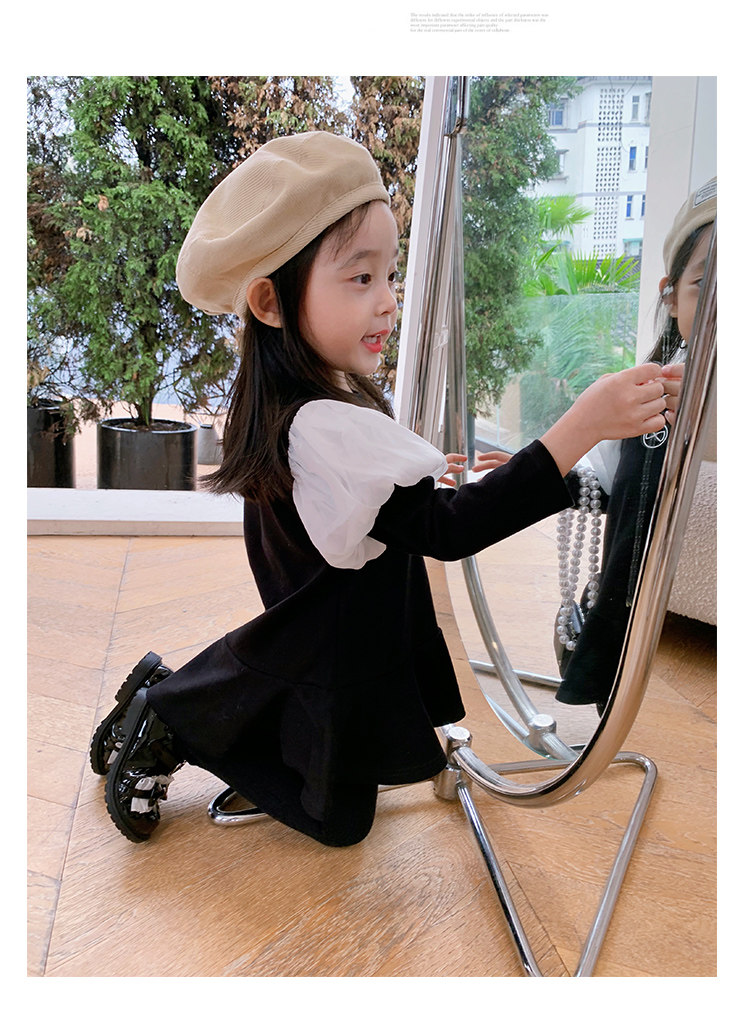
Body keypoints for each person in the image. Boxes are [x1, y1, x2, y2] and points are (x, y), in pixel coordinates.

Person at [90, 132, 672, 848]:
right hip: (331, 629)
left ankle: (172, 698)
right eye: (361, 278)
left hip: (334, 619)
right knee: (335, 819)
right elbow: (448, 531)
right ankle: (168, 712)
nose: (389, 302)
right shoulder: (325, 421)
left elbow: (391, 504)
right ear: (270, 302)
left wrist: (427, 484)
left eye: (389, 276)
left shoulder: (296, 398)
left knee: (337, 813)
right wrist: (583, 425)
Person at [550, 178, 716, 710]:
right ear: (671, 296)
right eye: (707, 285)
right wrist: (541, 467)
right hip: (642, 616)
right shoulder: (653, 394)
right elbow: (600, 474)